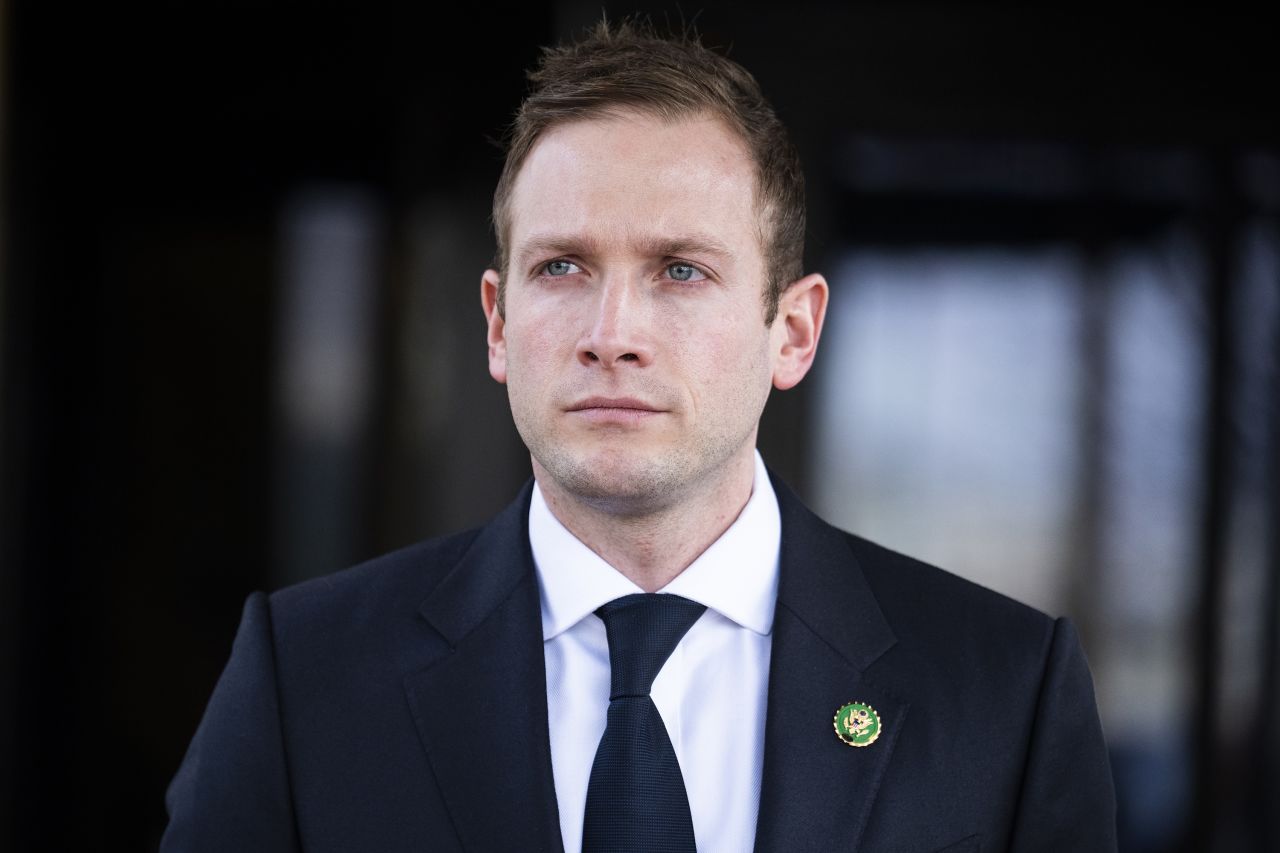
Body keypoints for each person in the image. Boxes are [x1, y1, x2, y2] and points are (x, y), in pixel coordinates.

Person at [162, 20, 1117, 853]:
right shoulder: (307, 680)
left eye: (680, 271)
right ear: (497, 325)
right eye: (564, 265)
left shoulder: (1002, 694)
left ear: (791, 332)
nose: (610, 332)